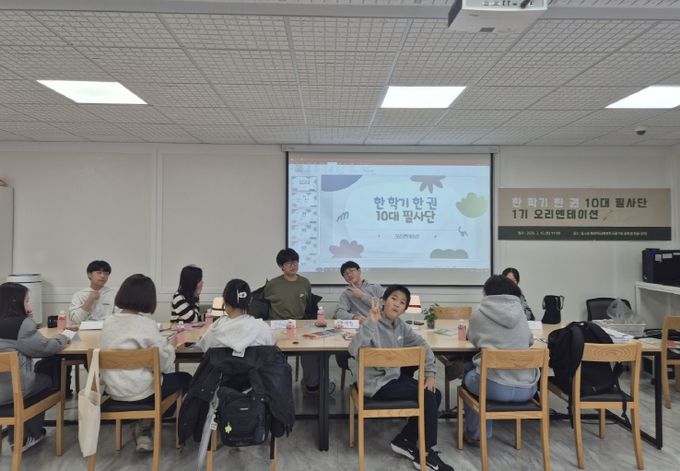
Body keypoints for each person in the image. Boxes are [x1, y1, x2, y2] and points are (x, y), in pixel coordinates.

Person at [349, 285, 454, 471]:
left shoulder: (401, 326)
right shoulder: (372, 322)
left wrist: (430, 374)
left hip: (393, 378)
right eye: (394, 298)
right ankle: (427, 454)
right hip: (374, 384)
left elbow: (424, 346)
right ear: (383, 301)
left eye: (402, 302)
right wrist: (370, 323)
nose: (397, 304)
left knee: (434, 393)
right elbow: (353, 349)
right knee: (429, 395)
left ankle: (405, 440)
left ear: (404, 309)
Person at [100, 274, 191, 453]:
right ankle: (148, 425)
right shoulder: (147, 324)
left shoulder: (108, 322)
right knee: (185, 378)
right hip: (141, 392)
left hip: (114, 390)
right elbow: (163, 365)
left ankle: (143, 425)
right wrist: (171, 346)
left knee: (151, 378)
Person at [462, 275, 540, 445]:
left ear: (487, 292)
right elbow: (529, 341)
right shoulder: (520, 313)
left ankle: (477, 435)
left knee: (468, 375)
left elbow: (474, 340)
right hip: (527, 388)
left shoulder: (478, 313)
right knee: (479, 373)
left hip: (494, 388)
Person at [0, 282, 72, 451]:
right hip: (11, 391)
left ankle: (20, 434)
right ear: (15, 302)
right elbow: (45, 348)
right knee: (48, 373)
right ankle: (27, 436)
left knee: (37, 371)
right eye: (26, 301)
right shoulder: (21, 324)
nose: (29, 306)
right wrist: (63, 337)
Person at [264, 248, 335, 395]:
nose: (293, 265)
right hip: (278, 327)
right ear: (281, 266)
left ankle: (312, 385)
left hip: (300, 326)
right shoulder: (272, 284)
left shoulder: (304, 282)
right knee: (273, 353)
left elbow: (309, 306)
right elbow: (264, 306)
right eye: (288, 263)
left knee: (312, 350)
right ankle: (275, 388)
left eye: (295, 262)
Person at [198, 278, 274, 352]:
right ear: (250, 301)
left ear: (224, 301)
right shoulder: (263, 328)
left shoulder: (214, 330)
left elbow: (204, 347)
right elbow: (271, 346)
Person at [69, 260, 115, 324]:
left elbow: (118, 317)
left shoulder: (114, 294)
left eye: (106, 274)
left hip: (107, 328)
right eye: (99, 273)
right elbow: (76, 320)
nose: (103, 276)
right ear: (89, 275)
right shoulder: (79, 295)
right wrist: (90, 299)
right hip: (85, 329)